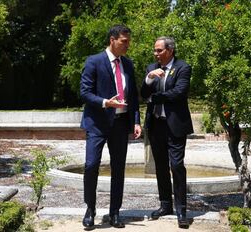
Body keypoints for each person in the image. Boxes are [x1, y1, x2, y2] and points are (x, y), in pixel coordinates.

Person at [80, 25, 142, 229]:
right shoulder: (93, 61)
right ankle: (90, 209)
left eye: (128, 41)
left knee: (118, 169)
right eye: (124, 41)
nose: (127, 45)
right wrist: (106, 102)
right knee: (91, 165)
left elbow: (133, 96)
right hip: (97, 123)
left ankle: (115, 212)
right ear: (112, 40)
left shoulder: (129, 64)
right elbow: (85, 93)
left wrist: (136, 121)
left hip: (121, 124)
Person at [141, 36, 193, 228]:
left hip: (175, 125)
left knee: (177, 165)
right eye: (154, 50)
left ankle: (181, 209)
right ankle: (165, 205)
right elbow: (143, 94)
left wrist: (156, 98)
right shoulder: (151, 68)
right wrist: (149, 79)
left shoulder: (182, 67)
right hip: (155, 125)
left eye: (159, 50)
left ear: (170, 50)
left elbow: (180, 92)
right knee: (160, 166)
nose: (156, 54)